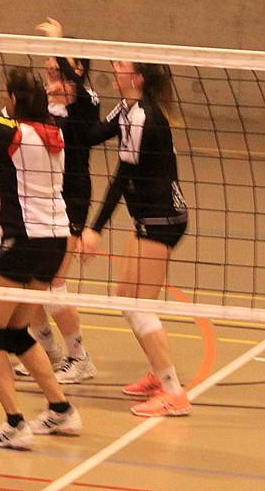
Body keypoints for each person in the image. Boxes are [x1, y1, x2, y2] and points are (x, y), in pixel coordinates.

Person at [0, 21, 82, 450]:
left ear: (12, 100)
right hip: (54, 242)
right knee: (16, 333)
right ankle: (61, 409)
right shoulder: (55, 131)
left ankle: (15, 423)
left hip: (23, 242)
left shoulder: (13, 132)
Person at [81, 61, 190, 417]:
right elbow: (93, 134)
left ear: (137, 78)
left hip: (161, 219)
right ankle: (158, 374)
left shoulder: (144, 116)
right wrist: (75, 84)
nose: (115, 68)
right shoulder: (127, 109)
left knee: (141, 306)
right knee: (127, 299)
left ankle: (174, 393)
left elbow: (122, 177)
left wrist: (95, 229)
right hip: (146, 217)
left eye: (122, 66)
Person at [13, 18, 100, 384]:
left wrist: (58, 43)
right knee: (32, 282)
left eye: (58, 62)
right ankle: (48, 350)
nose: (50, 66)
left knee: (54, 286)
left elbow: (77, 87)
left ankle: (80, 358)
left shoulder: (86, 103)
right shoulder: (43, 104)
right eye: (48, 61)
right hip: (39, 199)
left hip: (71, 200)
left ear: (77, 69)